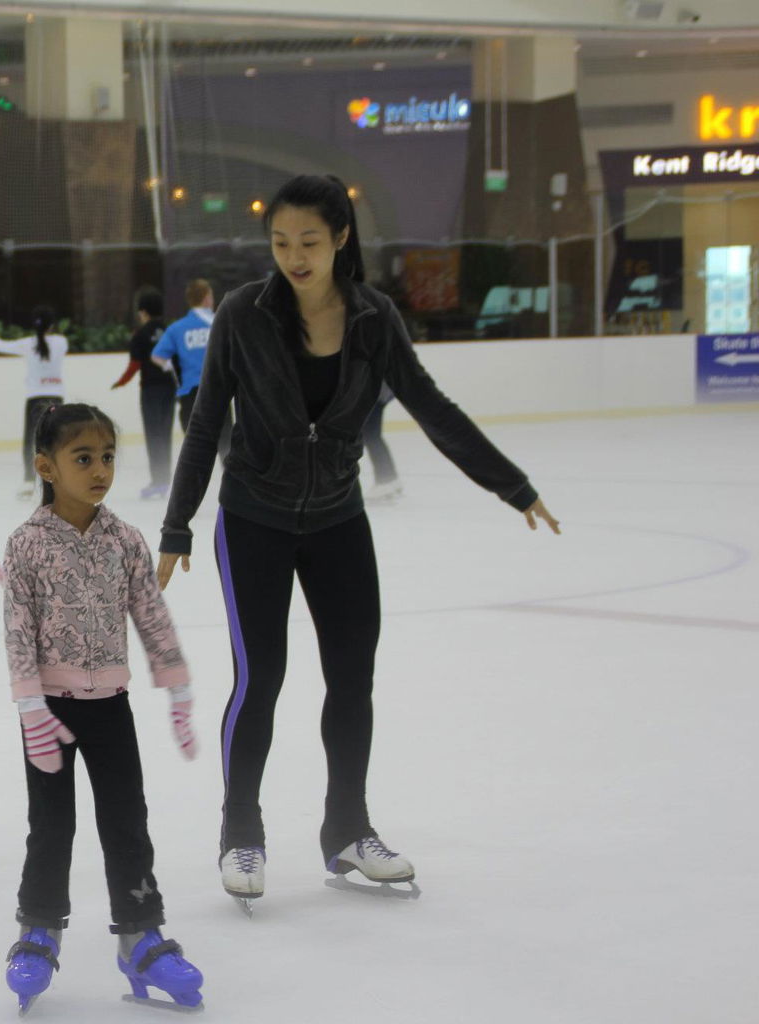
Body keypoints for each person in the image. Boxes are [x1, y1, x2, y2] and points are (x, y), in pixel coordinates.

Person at [156, 174, 562, 909]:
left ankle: (347, 828)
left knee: (352, 679)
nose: (294, 256)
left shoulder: (374, 317)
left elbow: (431, 405)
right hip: (254, 517)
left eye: (309, 241)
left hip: (339, 518)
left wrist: (510, 482)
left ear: (342, 237)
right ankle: (240, 829)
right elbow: (208, 415)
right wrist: (178, 523)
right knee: (262, 678)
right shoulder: (246, 314)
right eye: (280, 242)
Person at [0, 402, 204, 1014]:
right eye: (82, 458)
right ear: (46, 465)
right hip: (50, 714)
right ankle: (39, 929)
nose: (99, 470)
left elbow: (150, 613)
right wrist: (30, 706)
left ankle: (140, 935)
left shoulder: (125, 539)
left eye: (108, 456)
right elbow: (17, 629)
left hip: (111, 707)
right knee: (52, 825)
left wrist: (176, 684)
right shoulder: (27, 544)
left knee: (126, 821)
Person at [0, 305, 67, 500]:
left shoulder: (27, 344)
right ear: (52, 325)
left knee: (32, 441)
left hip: (35, 399)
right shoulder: (61, 342)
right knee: (57, 441)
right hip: (57, 398)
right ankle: (61, 481)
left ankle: (28, 480)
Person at [153, 279, 229, 469]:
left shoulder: (177, 328)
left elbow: (157, 356)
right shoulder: (218, 322)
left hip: (190, 393)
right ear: (206, 298)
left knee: (195, 447)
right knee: (226, 443)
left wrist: (171, 368)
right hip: (218, 390)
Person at [111, 289, 175, 500]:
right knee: (165, 433)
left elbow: (135, 364)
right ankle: (166, 479)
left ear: (143, 311)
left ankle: (158, 480)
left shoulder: (140, 334)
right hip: (169, 389)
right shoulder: (170, 331)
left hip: (150, 390)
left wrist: (121, 381)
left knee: (153, 434)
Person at [362, 387, 402, 503]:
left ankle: (385, 481)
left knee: (371, 436)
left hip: (375, 391)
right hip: (378, 390)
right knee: (372, 435)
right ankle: (391, 479)